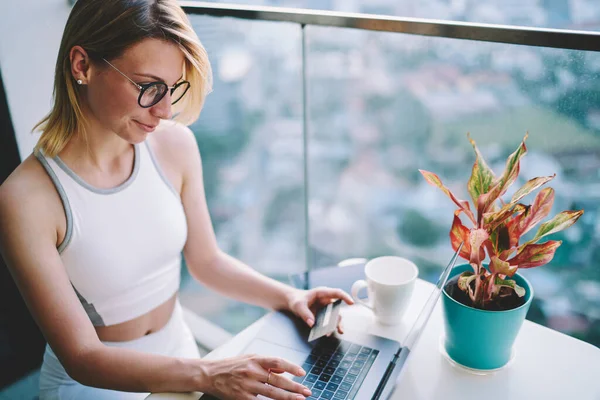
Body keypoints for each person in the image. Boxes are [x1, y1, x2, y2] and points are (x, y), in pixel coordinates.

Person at [0, 0, 354, 399]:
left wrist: (289, 297)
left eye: (171, 89)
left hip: (180, 356)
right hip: (99, 384)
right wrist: (210, 374)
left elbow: (207, 262)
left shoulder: (173, 145)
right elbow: (82, 356)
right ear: (82, 66)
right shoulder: (25, 199)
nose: (165, 110)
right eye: (148, 87)